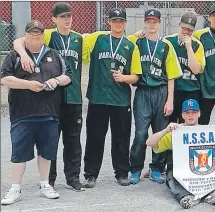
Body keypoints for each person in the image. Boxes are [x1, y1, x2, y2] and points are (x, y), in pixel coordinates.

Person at [13, 2, 89, 191]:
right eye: (63, 16)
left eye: (69, 16)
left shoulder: (79, 39)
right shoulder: (47, 35)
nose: (67, 19)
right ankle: (50, 179)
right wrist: (23, 54)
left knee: (73, 140)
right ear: (54, 19)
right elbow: (19, 41)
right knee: (51, 140)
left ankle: (73, 177)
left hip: (74, 98)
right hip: (52, 98)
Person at [0, 20, 72, 205]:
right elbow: (5, 79)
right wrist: (28, 85)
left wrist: (55, 81)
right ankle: (15, 188)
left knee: (47, 152)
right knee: (18, 153)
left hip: (49, 112)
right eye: (31, 32)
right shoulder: (15, 55)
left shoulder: (54, 54)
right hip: (22, 113)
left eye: (38, 32)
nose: (35, 35)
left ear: (43, 35)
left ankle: (45, 184)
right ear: (25, 35)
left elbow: (67, 75)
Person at [82, 8, 142, 188]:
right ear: (108, 22)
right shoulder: (97, 39)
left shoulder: (131, 46)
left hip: (120, 99)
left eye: (121, 21)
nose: (118, 24)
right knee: (94, 137)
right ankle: (90, 174)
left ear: (125, 23)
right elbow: (80, 38)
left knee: (121, 138)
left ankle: (122, 173)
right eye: (114, 20)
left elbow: (136, 76)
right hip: (98, 97)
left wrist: (124, 78)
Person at [127, 9, 182, 184]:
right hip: (143, 91)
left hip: (161, 90)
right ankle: (135, 168)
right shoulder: (137, 42)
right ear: (144, 23)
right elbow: (121, 42)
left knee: (159, 133)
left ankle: (157, 168)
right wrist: (134, 34)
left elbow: (171, 76)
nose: (152, 24)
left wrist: (170, 100)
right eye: (149, 21)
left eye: (155, 22)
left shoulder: (166, 46)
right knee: (141, 133)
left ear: (159, 23)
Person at [146, 99, 215, 209]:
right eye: (187, 113)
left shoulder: (207, 130)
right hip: (180, 169)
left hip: (201, 170)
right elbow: (150, 143)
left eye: (194, 112)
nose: (190, 115)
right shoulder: (176, 132)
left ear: (199, 114)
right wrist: (166, 130)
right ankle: (185, 197)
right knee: (172, 177)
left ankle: (210, 194)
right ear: (182, 114)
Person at [165, 12, 205, 123]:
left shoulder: (197, 45)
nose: (186, 32)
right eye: (184, 28)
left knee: (188, 126)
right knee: (171, 125)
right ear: (179, 25)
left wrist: (189, 47)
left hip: (191, 89)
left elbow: (196, 70)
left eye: (190, 30)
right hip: (173, 90)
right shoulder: (168, 41)